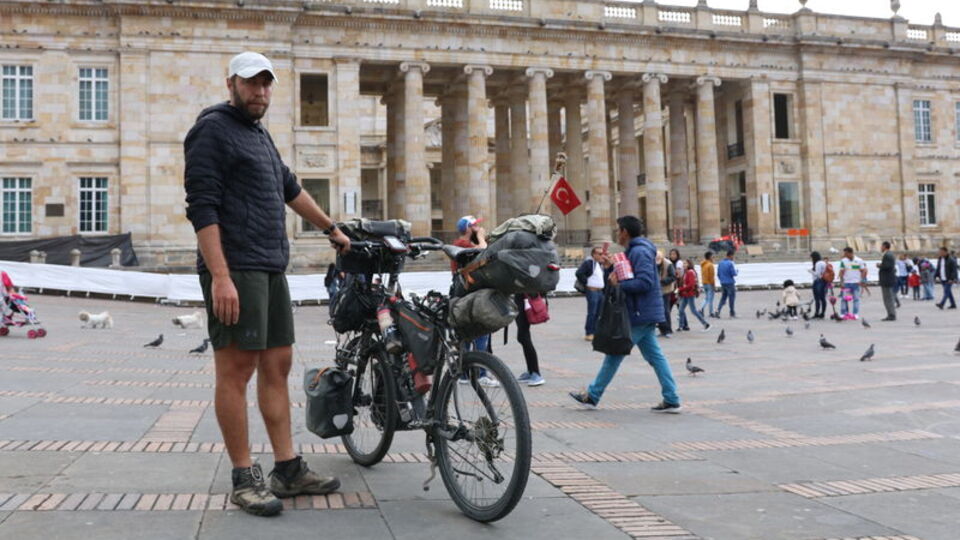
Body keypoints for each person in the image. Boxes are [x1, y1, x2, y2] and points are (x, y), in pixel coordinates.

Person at [184, 52, 349, 517]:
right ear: (231, 83)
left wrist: (330, 229)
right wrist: (220, 276)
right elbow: (202, 205)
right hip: (236, 269)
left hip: (271, 266)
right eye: (252, 84)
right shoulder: (212, 129)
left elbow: (288, 187)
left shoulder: (258, 134)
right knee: (236, 371)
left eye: (266, 84)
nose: (260, 92)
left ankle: (288, 469)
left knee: (277, 365)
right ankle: (243, 476)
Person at [569, 216, 681, 413]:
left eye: (618, 230)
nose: (616, 233)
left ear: (625, 232)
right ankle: (671, 398)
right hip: (643, 311)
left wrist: (618, 285)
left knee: (614, 353)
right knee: (655, 356)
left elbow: (645, 282)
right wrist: (610, 267)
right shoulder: (637, 250)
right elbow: (628, 276)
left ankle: (593, 396)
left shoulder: (639, 251)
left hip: (639, 312)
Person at [452, 215, 498, 387]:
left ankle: (465, 373)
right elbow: (483, 253)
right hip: (469, 295)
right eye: (475, 226)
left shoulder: (465, 244)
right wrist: (480, 239)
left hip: (469, 293)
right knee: (479, 333)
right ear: (468, 229)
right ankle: (480, 374)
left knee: (470, 335)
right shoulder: (461, 244)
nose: (479, 228)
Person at [514, 294, 545, 386]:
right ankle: (531, 371)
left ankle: (536, 373)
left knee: (524, 337)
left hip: (526, 299)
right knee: (522, 337)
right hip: (521, 299)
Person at [575, 247, 606, 341]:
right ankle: (589, 332)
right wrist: (587, 283)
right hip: (592, 291)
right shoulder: (589, 263)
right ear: (594, 255)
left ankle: (596, 331)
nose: (602, 256)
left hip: (600, 291)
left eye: (602, 254)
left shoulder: (600, 264)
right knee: (592, 312)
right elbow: (579, 273)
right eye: (599, 254)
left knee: (599, 313)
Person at [678, 259, 710, 331]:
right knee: (681, 309)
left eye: (685, 263)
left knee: (693, 310)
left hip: (689, 293)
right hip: (686, 294)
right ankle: (680, 326)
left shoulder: (690, 272)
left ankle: (706, 324)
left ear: (689, 264)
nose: (684, 265)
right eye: (683, 263)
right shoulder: (686, 272)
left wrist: (681, 289)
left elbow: (691, 284)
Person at [838, 247, 866, 319]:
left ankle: (855, 313)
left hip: (856, 283)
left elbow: (863, 270)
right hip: (846, 283)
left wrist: (861, 280)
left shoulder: (859, 260)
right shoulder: (843, 261)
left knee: (856, 299)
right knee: (844, 299)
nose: (844, 254)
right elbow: (841, 272)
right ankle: (843, 313)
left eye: (846, 253)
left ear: (850, 253)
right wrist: (841, 282)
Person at [656, 250, 676, 338]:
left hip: (666, 290)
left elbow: (673, 277)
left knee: (665, 310)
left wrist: (663, 281)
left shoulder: (668, 264)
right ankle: (662, 330)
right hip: (657, 290)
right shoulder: (654, 263)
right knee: (658, 311)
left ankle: (668, 330)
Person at [877, 241, 897, 321]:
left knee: (888, 298)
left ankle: (891, 314)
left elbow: (887, 266)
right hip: (888, 279)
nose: (880, 248)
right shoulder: (889, 254)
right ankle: (891, 314)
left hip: (887, 280)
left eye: (881, 246)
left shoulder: (887, 255)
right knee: (889, 298)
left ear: (885, 246)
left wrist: (880, 265)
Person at [715, 249, 738, 318]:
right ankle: (732, 312)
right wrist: (736, 272)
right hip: (730, 283)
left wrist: (722, 279)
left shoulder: (720, 263)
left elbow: (718, 274)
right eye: (733, 256)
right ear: (730, 255)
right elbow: (733, 273)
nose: (733, 257)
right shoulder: (730, 263)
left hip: (723, 283)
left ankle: (718, 310)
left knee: (723, 297)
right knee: (731, 298)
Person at [699, 251, 717, 319]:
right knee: (710, 299)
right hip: (709, 283)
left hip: (704, 282)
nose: (713, 258)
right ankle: (710, 312)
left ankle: (701, 308)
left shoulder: (703, 264)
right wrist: (713, 285)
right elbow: (711, 276)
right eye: (712, 256)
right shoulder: (710, 265)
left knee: (706, 298)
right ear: (709, 257)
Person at [809, 251, 827, 319]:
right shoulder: (823, 262)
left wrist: (810, 271)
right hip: (823, 282)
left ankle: (817, 313)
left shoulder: (818, 263)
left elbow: (818, 274)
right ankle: (822, 313)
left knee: (817, 298)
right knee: (822, 298)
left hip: (818, 281)